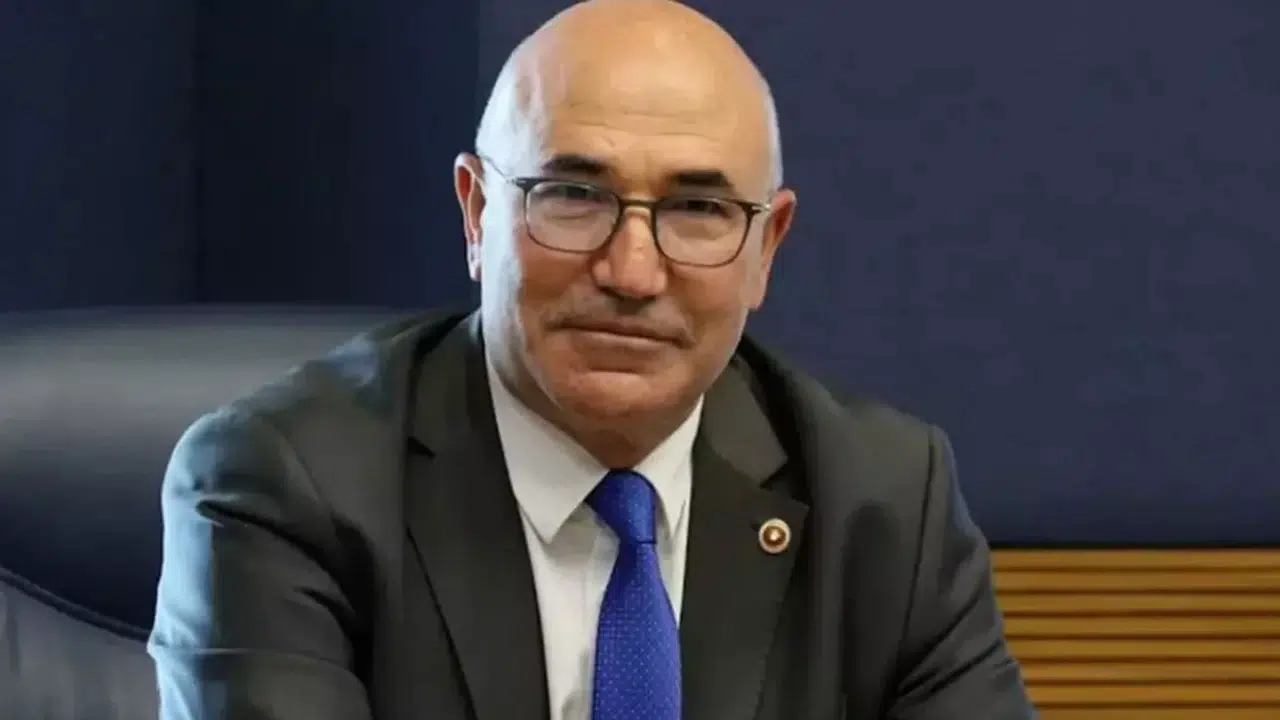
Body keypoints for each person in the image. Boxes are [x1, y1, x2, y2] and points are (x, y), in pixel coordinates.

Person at [148, 0, 1036, 718]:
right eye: (572, 195)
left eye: (698, 211)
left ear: (767, 248)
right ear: (476, 214)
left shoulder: (884, 503)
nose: (633, 272)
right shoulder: (284, 485)